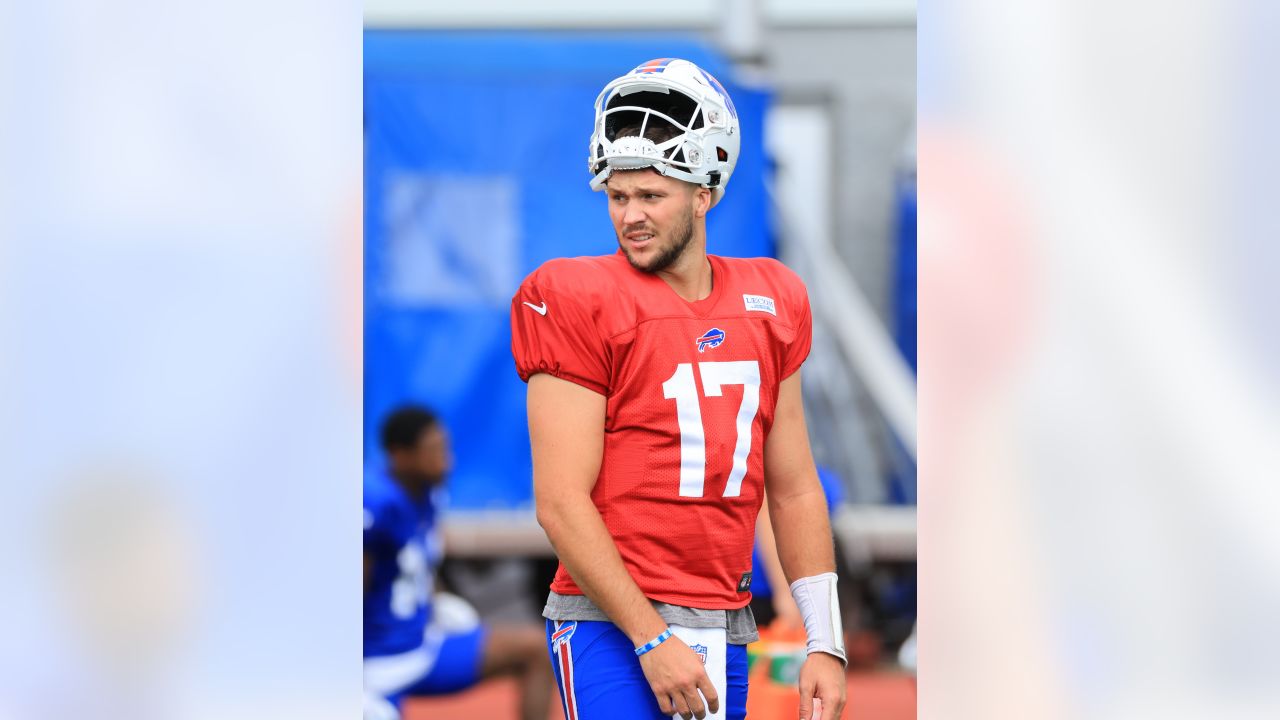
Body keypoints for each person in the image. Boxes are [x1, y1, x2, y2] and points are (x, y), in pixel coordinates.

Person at [510, 58, 848, 720]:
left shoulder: (770, 298)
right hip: (611, 620)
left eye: (651, 196)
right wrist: (650, 636)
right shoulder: (576, 296)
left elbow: (794, 487)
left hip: (724, 617)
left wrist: (825, 640)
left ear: (705, 193)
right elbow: (559, 501)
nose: (629, 215)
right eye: (617, 195)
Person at [363, 405, 552, 720]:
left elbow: (419, 566)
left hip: (419, 644)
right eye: (433, 450)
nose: (446, 460)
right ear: (400, 454)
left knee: (536, 649)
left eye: (444, 447)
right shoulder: (377, 503)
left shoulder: (427, 492)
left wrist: (436, 602)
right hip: (378, 662)